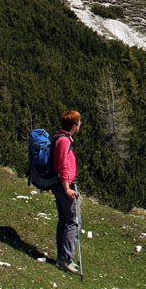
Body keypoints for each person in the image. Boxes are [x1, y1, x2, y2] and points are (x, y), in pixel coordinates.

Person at [52, 110, 81, 273]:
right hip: (65, 186)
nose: (80, 125)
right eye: (79, 122)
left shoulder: (62, 138)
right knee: (73, 221)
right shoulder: (64, 141)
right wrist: (67, 188)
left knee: (64, 220)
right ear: (74, 125)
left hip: (61, 184)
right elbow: (62, 165)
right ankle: (66, 259)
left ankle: (62, 257)